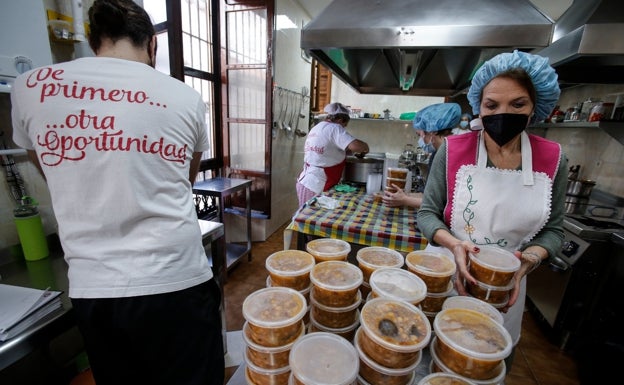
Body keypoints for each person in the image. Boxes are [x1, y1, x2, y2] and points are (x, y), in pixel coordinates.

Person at [10, 1, 224, 384]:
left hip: (96, 290)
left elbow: (48, 166)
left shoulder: (30, 87)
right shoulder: (185, 97)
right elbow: (183, 179)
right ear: (152, 45)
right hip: (177, 280)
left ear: (93, 41)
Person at [416, 50, 567, 368]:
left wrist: (529, 259)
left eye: (517, 104)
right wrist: (454, 244)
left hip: (506, 287)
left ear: (534, 106)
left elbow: (554, 230)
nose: (503, 113)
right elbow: (427, 213)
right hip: (450, 275)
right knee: (440, 361)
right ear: (479, 106)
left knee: (485, 362)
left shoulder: (553, 159)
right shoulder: (453, 152)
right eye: (492, 105)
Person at [383, 103, 460, 208]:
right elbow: (428, 196)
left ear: (432, 131)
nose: (420, 140)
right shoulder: (437, 153)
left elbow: (442, 203)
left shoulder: (452, 155)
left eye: (419, 135)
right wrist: (404, 196)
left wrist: (405, 200)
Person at [296, 102, 369, 206]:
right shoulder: (335, 128)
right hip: (315, 185)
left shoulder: (319, 127)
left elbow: (328, 151)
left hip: (307, 182)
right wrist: (366, 147)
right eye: (344, 125)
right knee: (308, 218)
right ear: (340, 120)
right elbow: (356, 146)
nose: (344, 128)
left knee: (308, 217)